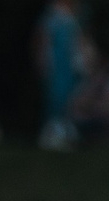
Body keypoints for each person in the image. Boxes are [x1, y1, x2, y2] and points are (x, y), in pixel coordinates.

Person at [35, 0, 92, 151]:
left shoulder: (73, 17)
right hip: (57, 65)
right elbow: (44, 40)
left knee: (71, 97)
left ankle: (67, 132)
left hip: (69, 65)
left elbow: (79, 41)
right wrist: (44, 61)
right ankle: (54, 133)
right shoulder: (52, 16)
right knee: (56, 97)